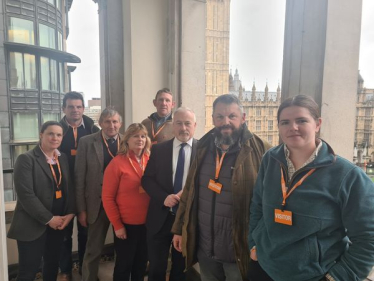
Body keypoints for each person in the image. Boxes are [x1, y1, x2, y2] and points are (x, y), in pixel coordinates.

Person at [248, 95, 374, 281]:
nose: (293, 127)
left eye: (301, 120)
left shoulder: (348, 175)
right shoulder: (270, 159)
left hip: (312, 275)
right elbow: (257, 205)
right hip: (264, 267)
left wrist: (337, 277)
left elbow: (368, 238)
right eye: (285, 122)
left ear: (317, 124)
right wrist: (254, 244)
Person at [171, 94, 271, 281]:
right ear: (213, 119)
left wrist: (261, 244)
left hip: (239, 250)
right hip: (205, 248)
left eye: (232, 116)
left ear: (243, 117)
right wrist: (179, 229)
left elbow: (270, 203)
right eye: (220, 117)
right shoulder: (202, 148)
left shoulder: (262, 150)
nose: (226, 122)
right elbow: (189, 191)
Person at [8, 121, 75, 281]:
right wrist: (49, 219)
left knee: (51, 267)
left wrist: (71, 213)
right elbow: (26, 195)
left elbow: (69, 188)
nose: (55, 138)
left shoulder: (62, 158)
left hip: (58, 224)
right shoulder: (26, 159)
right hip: (33, 225)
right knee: (28, 272)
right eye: (50, 133)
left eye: (58, 135)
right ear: (41, 135)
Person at [142, 107, 198, 281]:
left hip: (187, 220)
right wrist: (163, 198)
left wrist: (188, 194)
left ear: (194, 126)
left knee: (180, 269)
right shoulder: (159, 150)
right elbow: (147, 180)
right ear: (173, 126)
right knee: (157, 268)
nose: (183, 128)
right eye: (179, 123)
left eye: (187, 123)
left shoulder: (203, 151)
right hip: (160, 218)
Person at [75, 107, 123, 281]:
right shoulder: (86, 142)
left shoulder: (127, 142)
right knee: (92, 250)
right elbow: (79, 178)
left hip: (121, 205)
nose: (111, 125)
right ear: (101, 123)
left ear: (120, 124)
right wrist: (81, 210)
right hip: (97, 205)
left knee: (123, 249)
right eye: (108, 121)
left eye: (115, 121)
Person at [102, 123, 151, 281]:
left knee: (141, 265)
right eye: (135, 136)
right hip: (126, 226)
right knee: (123, 266)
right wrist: (117, 225)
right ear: (127, 140)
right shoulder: (117, 163)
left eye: (143, 136)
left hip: (148, 225)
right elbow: (108, 198)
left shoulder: (150, 160)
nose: (140, 139)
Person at [59, 91, 100, 280]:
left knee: (86, 233)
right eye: (70, 106)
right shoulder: (57, 130)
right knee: (64, 235)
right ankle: (66, 271)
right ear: (64, 109)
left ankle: (85, 270)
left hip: (86, 190)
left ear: (83, 109)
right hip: (64, 190)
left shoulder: (93, 129)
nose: (75, 110)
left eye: (78, 106)